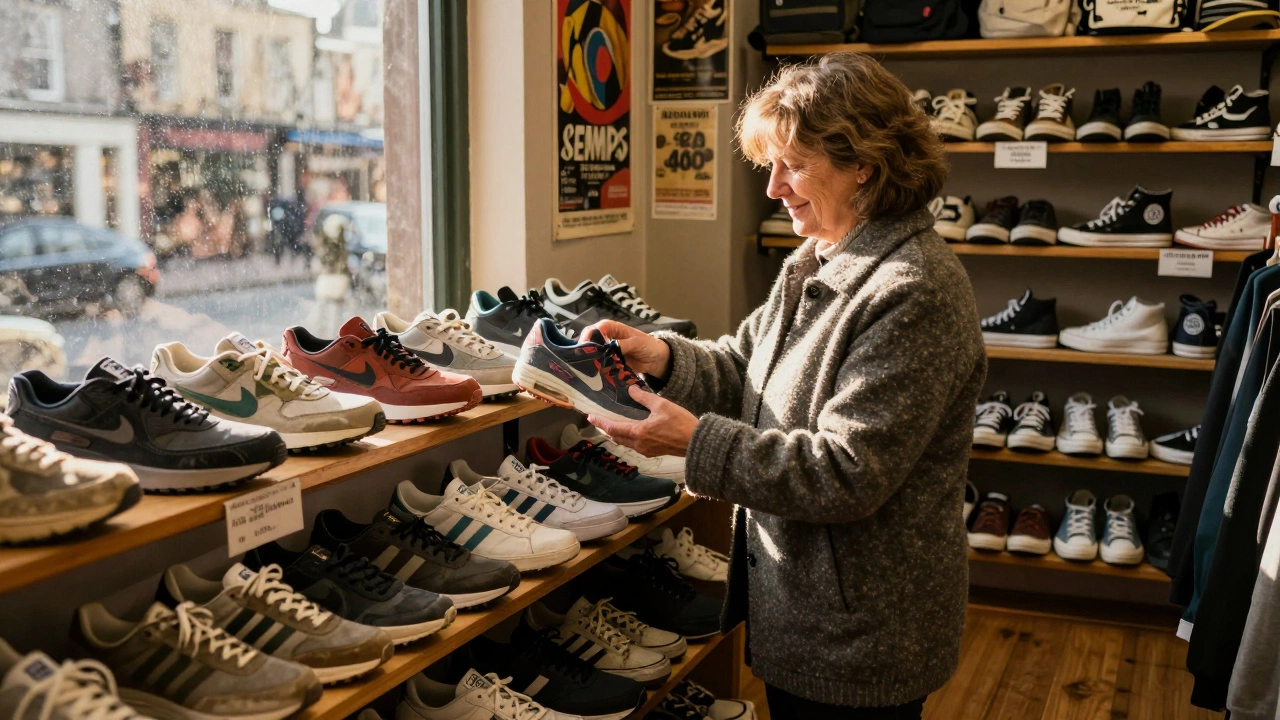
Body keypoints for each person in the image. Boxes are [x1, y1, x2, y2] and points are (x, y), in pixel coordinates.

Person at [586, 53, 985, 720]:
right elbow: (749, 368)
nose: (773, 188)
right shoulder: (820, 256)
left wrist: (695, 443)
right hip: (808, 611)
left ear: (866, 163)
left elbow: (847, 473)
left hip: (861, 635)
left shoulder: (913, 289)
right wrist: (659, 354)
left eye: (793, 165)